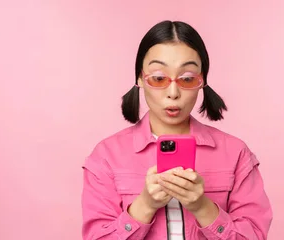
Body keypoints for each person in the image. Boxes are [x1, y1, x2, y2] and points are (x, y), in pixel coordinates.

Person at [80, 20, 273, 240]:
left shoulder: (236, 153)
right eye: (159, 78)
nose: (173, 92)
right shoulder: (106, 157)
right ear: (140, 79)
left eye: (187, 79)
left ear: (202, 82)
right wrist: (144, 206)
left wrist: (202, 207)